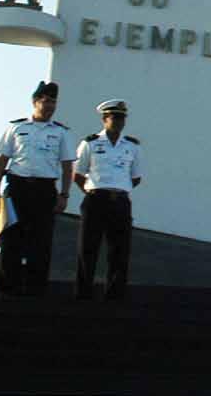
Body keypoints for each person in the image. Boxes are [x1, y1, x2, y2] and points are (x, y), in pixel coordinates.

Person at [0, 80, 73, 295]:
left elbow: (67, 167)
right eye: (46, 101)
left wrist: (64, 194)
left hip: (44, 190)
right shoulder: (16, 127)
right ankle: (7, 289)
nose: (49, 106)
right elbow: (3, 159)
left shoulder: (61, 132)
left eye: (53, 102)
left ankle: (35, 290)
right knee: (11, 239)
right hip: (17, 188)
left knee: (41, 241)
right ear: (35, 102)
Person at [73, 99, 142, 301]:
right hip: (96, 199)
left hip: (120, 201)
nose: (119, 121)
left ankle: (115, 295)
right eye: (114, 117)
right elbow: (78, 174)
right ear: (104, 119)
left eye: (122, 118)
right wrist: (95, 192)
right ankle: (83, 294)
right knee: (88, 248)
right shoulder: (90, 143)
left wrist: (118, 190)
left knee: (119, 251)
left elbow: (136, 177)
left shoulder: (132, 146)